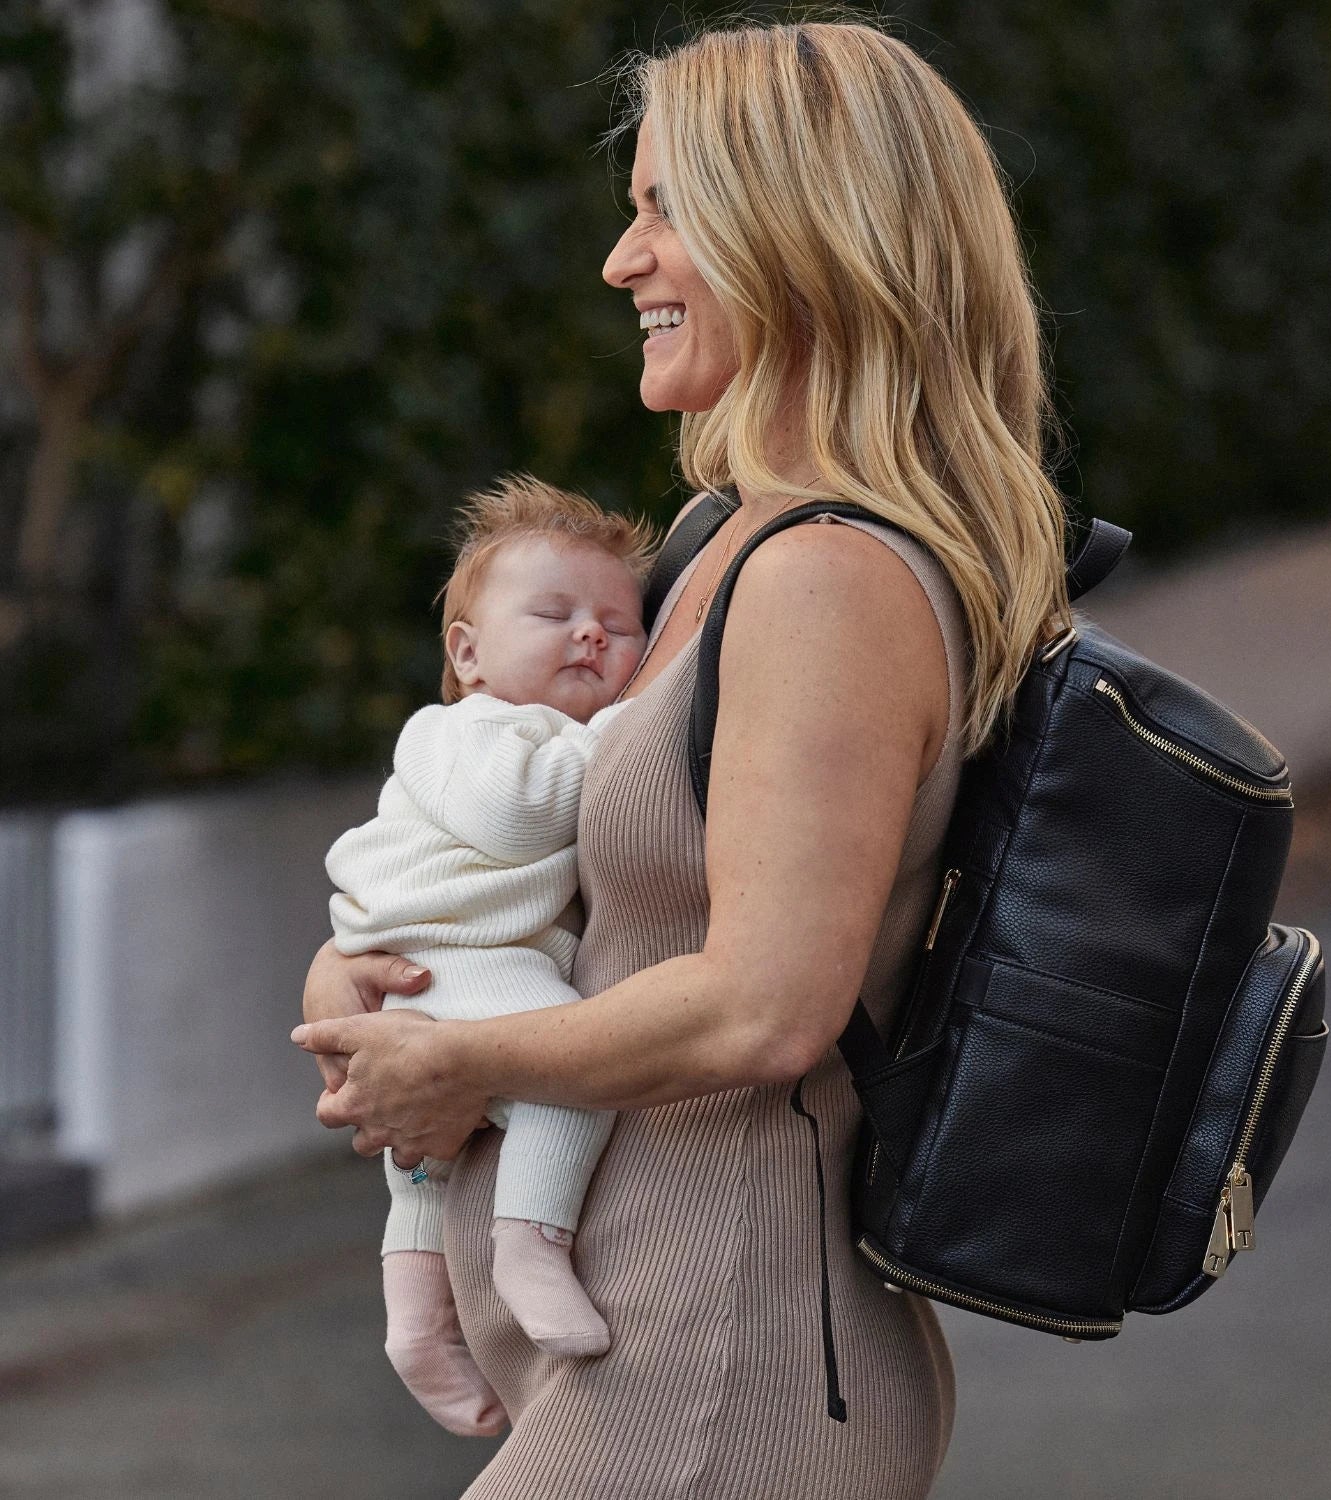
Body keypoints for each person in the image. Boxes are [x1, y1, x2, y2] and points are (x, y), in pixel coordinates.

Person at [294, 19, 1073, 1498]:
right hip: (649, 1352)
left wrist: (460, 1062)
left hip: (721, 1359)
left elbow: (765, 1007)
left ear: (801, 234)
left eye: (666, 209)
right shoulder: (727, 539)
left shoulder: (831, 578)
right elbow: (616, 902)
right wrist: (375, 973)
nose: (621, 259)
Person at [323, 476, 654, 1436]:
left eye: (618, 626)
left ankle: (417, 1325)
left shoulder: (529, 729)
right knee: (572, 1064)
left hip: (454, 957)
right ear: (466, 654)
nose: (589, 635)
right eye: (553, 615)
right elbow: (516, 818)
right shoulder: (464, 730)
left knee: (428, 1165)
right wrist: (621, 729)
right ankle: (531, 1245)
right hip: (448, 954)